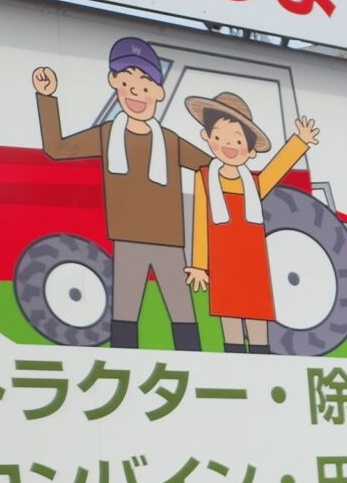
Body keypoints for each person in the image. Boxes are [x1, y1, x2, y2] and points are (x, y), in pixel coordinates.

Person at [30, 36, 211, 350]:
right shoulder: (107, 135)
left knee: (183, 315)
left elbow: (210, 169)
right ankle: (125, 372)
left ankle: (198, 368)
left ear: (158, 91)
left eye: (144, 84)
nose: (136, 93)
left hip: (170, 241)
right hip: (127, 238)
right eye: (127, 83)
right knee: (125, 315)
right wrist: (46, 97)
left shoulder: (170, 141)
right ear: (115, 83)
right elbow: (57, 148)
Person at [181, 91, 321, 354]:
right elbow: (200, 223)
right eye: (220, 137)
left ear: (251, 149)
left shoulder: (253, 184)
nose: (228, 145)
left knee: (258, 322)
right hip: (222, 265)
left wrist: (300, 142)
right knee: (230, 322)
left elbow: (277, 169)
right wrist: (199, 265)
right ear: (207, 137)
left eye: (237, 139)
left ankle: (261, 359)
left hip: (253, 264)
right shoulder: (204, 179)